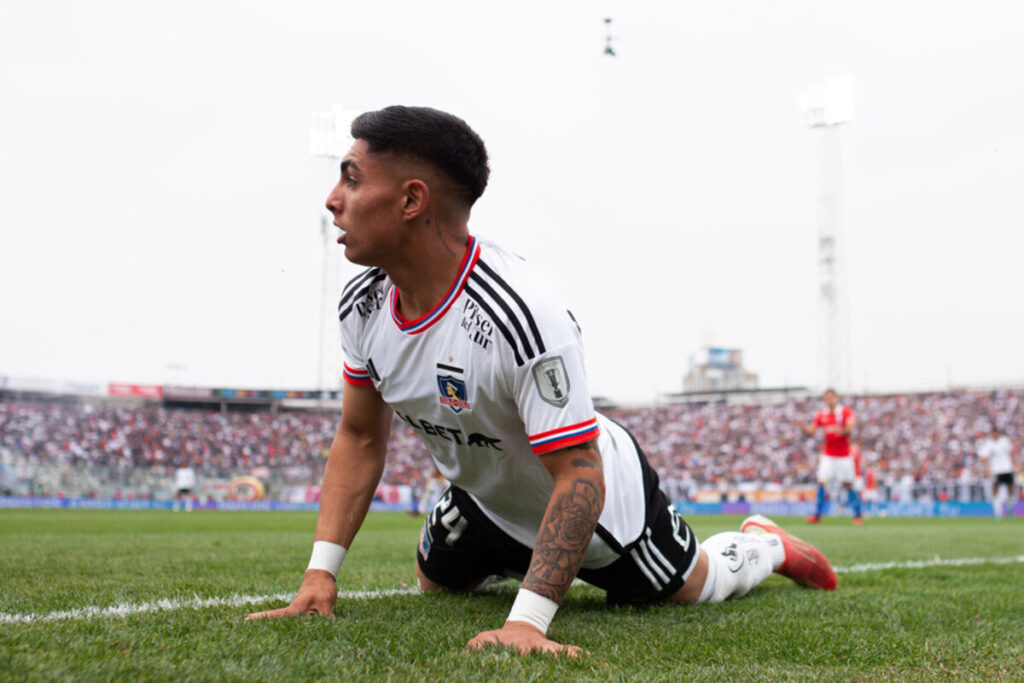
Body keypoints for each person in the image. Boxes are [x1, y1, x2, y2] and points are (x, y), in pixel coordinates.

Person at [246, 106, 837, 656]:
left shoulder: (522, 314)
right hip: (485, 498)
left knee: (693, 587)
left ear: (411, 200)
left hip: (601, 503)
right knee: (435, 585)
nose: (332, 200)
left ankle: (765, 544)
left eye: (351, 179)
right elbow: (359, 437)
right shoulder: (363, 304)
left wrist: (527, 620)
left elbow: (580, 470)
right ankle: (513, 550)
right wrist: (320, 574)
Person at [795, 389, 862, 524]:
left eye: (831, 397)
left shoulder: (845, 412)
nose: (829, 400)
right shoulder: (821, 415)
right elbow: (812, 431)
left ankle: (858, 515)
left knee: (848, 484)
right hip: (828, 455)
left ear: (836, 398)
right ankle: (817, 514)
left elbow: (850, 429)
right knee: (821, 481)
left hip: (844, 455)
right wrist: (803, 427)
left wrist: (842, 430)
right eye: (826, 398)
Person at [978, 426, 1017, 519]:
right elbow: (984, 457)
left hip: (1007, 468)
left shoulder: (1005, 441)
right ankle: (997, 512)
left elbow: (1011, 453)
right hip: (996, 470)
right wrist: (987, 469)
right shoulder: (988, 443)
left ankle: (1010, 509)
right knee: (996, 490)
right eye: (994, 433)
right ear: (992, 433)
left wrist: (1015, 465)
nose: (995, 434)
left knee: (1010, 489)